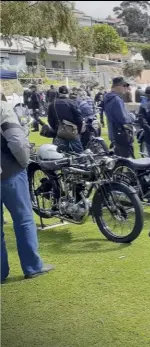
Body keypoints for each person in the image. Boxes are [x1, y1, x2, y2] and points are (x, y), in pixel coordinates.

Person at [1, 96, 53, 282]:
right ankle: (33, 266)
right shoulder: (3, 108)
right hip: (9, 172)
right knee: (23, 220)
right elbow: (17, 140)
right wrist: (23, 163)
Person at [103, 76, 135, 158]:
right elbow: (123, 119)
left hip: (113, 133)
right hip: (121, 134)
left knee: (119, 160)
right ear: (117, 86)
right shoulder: (117, 100)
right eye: (124, 85)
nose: (126, 88)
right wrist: (132, 116)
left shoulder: (108, 97)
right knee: (128, 162)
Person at [47, 85, 84, 154]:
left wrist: (56, 129)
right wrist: (78, 130)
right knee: (79, 153)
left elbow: (50, 119)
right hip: (72, 130)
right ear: (67, 93)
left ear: (58, 93)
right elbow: (79, 119)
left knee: (62, 153)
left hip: (60, 130)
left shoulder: (53, 104)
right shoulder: (72, 103)